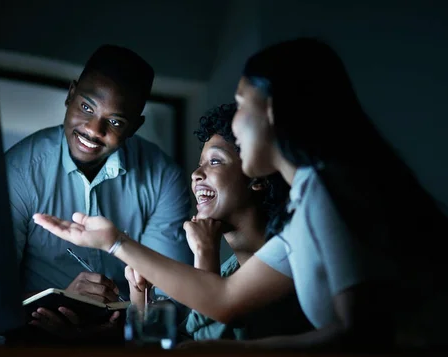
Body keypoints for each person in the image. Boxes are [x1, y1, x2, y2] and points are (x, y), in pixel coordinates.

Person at [33, 38, 448, 350]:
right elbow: (225, 299)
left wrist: (222, 356)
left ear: (271, 111)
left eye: (241, 103)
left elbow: (357, 335)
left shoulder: (325, 188)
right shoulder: (310, 199)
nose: (236, 124)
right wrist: (114, 243)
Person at [5, 44, 193, 339]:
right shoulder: (17, 170)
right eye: (86, 107)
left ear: (135, 127)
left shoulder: (163, 178)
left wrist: (120, 326)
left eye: (115, 121)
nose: (93, 129)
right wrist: (60, 302)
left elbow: (175, 297)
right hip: (35, 345)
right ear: (70, 94)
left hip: (128, 353)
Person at [126, 103, 312, 340]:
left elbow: (208, 355)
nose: (196, 174)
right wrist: (140, 292)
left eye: (214, 162)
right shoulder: (230, 270)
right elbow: (174, 341)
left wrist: (205, 252)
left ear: (258, 178)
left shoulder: (286, 265)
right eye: (199, 164)